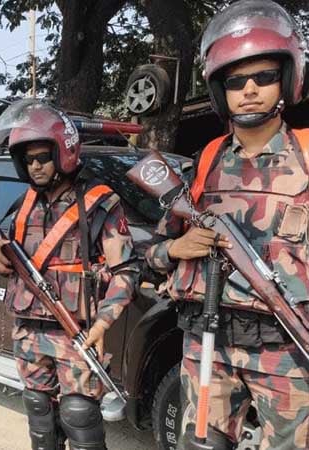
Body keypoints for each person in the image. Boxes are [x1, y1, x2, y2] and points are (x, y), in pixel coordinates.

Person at [145, 2, 309, 448]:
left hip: (287, 351)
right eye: (235, 81)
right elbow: (154, 252)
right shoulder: (206, 162)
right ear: (221, 91)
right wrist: (176, 249)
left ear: (288, 78)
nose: (249, 90)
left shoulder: (306, 156)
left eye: (264, 76)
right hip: (207, 344)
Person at [0, 99, 137, 450]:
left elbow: (126, 271)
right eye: (28, 160)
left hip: (76, 332)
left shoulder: (98, 202)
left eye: (42, 157)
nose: (35, 166)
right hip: (28, 331)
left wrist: (102, 325)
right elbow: (5, 250)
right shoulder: (24, 204)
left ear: (63, 152)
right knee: (39, 414)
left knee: (79, 416)